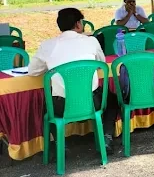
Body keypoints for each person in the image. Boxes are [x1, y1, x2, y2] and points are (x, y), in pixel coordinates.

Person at [28, 8, 117, 152]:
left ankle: (60, 144)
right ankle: (106, 137)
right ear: (78, 24)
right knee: (111, 100)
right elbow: (101, 63)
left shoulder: (48, 45)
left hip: (61, 106)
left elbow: (33, 71)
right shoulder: (91, 41)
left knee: (46, 106)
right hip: (93, 102)